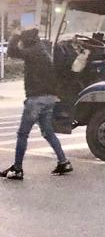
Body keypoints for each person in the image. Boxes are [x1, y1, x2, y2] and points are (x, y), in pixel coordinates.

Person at [1, 29, 72, 180]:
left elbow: (11, 51)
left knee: (22, 134)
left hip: (36, 99)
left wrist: (15, 35)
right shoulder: (45, 51)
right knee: (48, 132)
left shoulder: (33, 53)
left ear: (27, 41)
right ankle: (63, 162)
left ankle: (17, 169)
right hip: (50, 98)